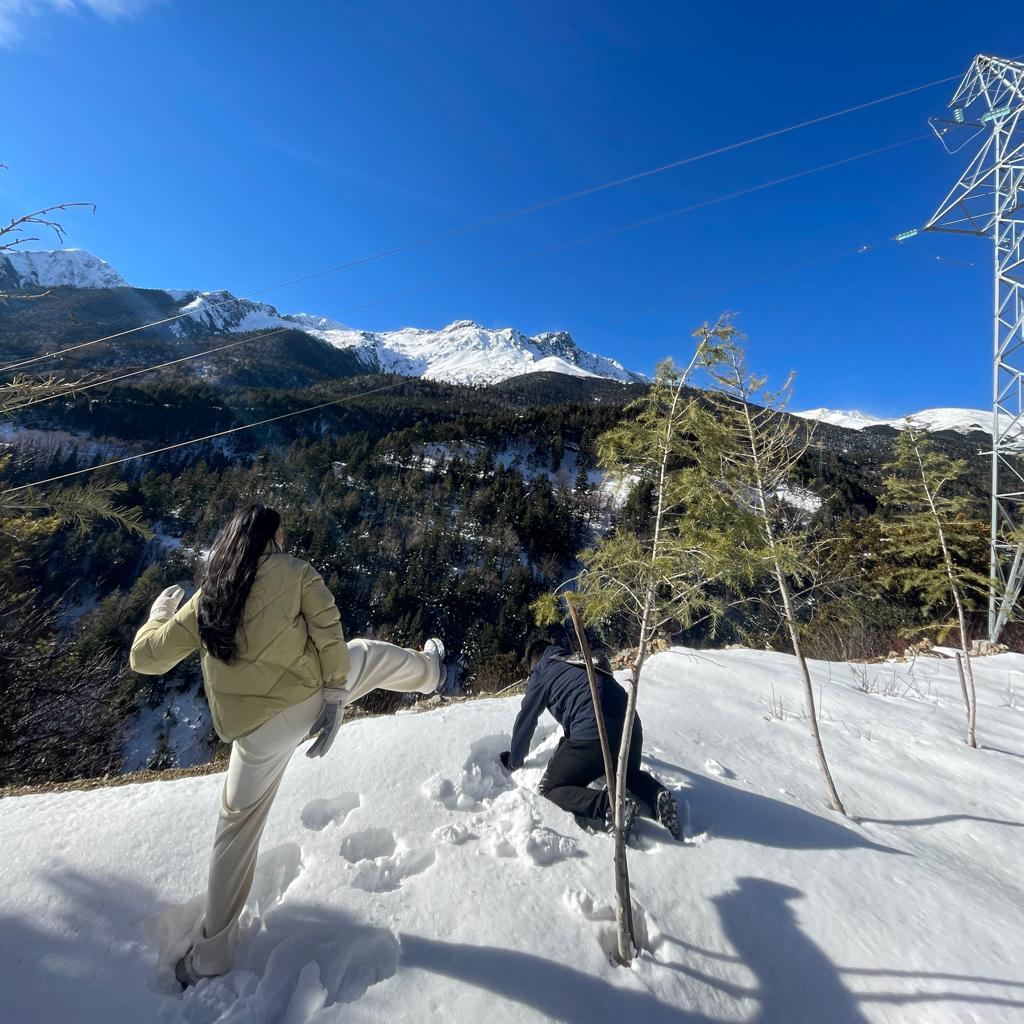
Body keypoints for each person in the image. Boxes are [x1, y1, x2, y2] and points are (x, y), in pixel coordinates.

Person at [129, 505, 446, 988]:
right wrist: (337, 695)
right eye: (280, 529)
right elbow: (330, 633)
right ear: (271, 535)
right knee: (372, 655)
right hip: (310, 700)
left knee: (235, 833)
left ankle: (211, 954)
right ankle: (431, 672)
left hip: (256, 736)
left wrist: (158, 616)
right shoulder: (296, 571)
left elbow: (145, 659)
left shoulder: (209, 595)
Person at [499, 639, 682, 839]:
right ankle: (656, 795)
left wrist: (514, 761)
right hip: (631, 728)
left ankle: (610, 807)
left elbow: (527, 717)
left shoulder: (542, 671)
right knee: (624, 773)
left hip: (593, 732)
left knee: (550, 788)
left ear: (534, 659)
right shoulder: (578, 660)